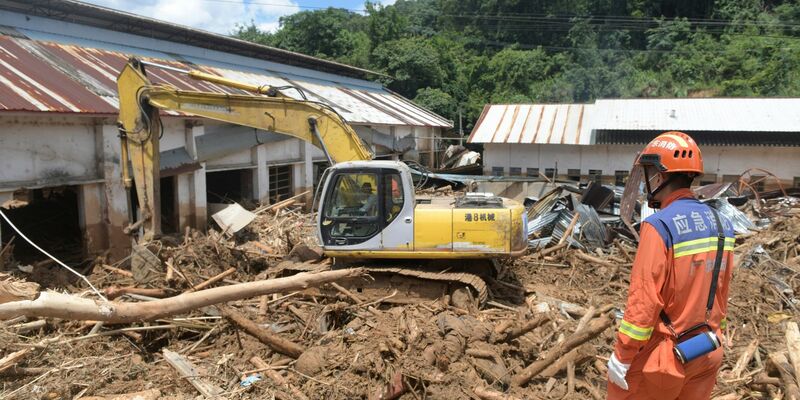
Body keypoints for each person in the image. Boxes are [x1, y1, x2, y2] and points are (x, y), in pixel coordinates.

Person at [607, 131, 735, 400]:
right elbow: (722, 291)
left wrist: (623, 355)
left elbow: (644, 301)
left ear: (661, 175)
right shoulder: (722, 224)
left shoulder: (659, 226)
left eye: (650, 172)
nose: (646, 181)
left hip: (665, 358)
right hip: (708, 348)